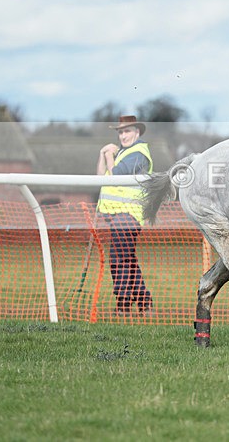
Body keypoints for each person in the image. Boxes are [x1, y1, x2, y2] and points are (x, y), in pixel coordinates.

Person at [97, 115, 153, 315]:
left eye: (127, 131)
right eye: (120, 132)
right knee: (127, 259)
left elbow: (117, 176)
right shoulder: (122, 153)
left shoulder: (138, 153)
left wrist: (110, 156)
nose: (123, 136)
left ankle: (123, 303)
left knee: (118, 259)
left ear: (137, 132)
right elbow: (100, 177)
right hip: (118, 216)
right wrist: (103, 154)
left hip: (129, 215)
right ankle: (144, 302)